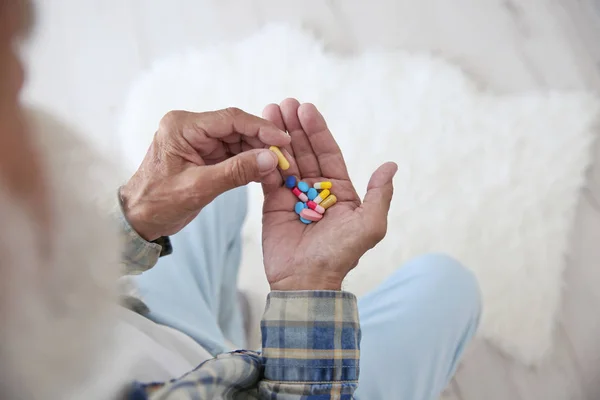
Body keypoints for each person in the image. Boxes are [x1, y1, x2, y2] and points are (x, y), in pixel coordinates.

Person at [0, 1, 481, 399]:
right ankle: (233, 347)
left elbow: (38, 285)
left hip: (148, 334)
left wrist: (136, 216)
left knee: (217, 194)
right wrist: (306, 284)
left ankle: (225, 336)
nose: (22, 78)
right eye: (11, 58)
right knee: (447, 287)